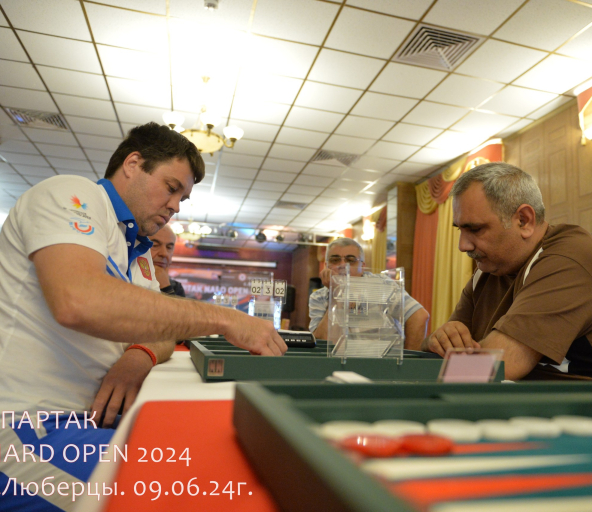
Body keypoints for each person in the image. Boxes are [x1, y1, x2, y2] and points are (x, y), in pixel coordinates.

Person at [0, 123, 286, 510]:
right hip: (27, 428)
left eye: (183, 198)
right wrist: (224, 319)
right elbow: (77, 299)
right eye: (171, 188)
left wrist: (139, 355)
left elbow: (162, 333)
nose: (176, 206)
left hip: (92, 421)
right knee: (209, 490)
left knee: (220, 449)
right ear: (133, 163)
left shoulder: (136, 252)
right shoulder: (71, 193)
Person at [421, 162, 592, 381]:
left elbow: (494, 367)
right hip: (535, 407)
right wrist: (436, 340)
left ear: (524, 220)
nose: (463, 245)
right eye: (460, 230)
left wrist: (445, 359)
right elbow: (440, 354)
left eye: (475, 229)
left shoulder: (571, 259)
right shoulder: (488, 271)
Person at [309, 237, 429, 350]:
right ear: (326, 266)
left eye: (351, 260)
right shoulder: (318, 297)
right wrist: (337, 296)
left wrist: (409, 362)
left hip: (385, 363)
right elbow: (323, 342)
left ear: (363, 265)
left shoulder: (382, 285)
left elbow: (419, 316)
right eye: (335, 260)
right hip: (340, 364)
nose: (342, 266)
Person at [150, 223, 186, 297]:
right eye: (155, 245)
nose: (164, 254)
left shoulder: (176, 288)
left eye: (169, 247)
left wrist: (166, 288)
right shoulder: (125, 278)